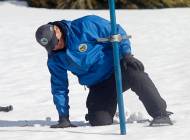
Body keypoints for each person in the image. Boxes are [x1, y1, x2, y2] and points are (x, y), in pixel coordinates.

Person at [35, 15, 172, 128]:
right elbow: (59, 87)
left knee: (135, 73)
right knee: (99, 121)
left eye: (56, 42)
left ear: (57, 30)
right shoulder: (55, 58)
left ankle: (160, 114)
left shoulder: (86, 25)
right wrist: (63, 117)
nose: (55, 47)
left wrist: (127, 55)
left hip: (118, 70)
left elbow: (116, 32)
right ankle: (103, 110)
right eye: (51, 47)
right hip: (99, 85)